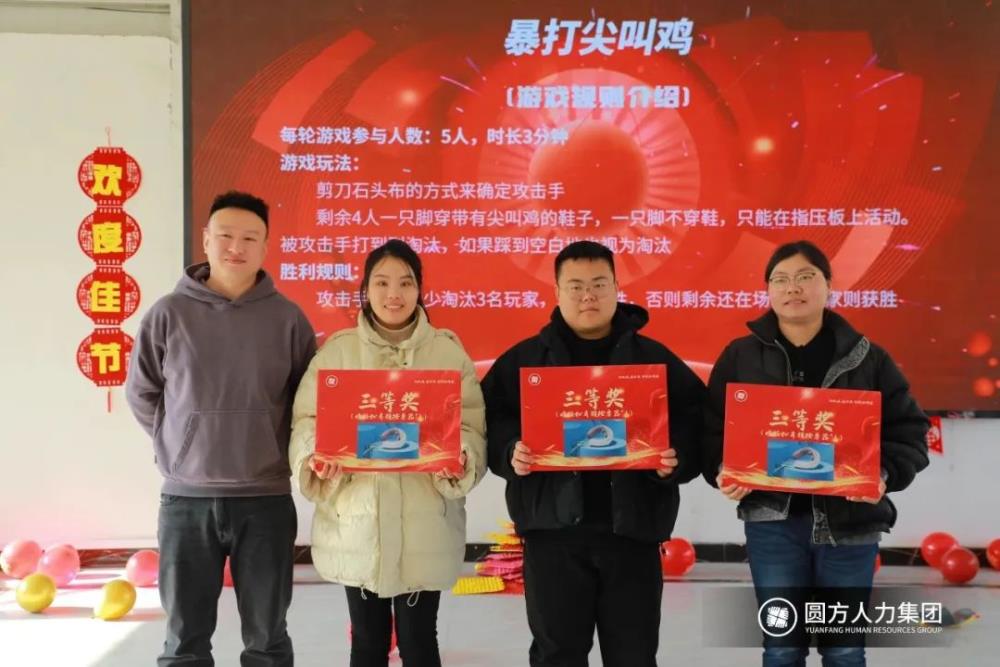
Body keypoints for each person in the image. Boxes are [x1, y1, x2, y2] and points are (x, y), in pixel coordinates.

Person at [702, 240, 930, 666]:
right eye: (781, 279)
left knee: (844, 649)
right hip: (772, 525)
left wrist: (882, 473)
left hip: (851, 525)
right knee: (782, 647)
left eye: (806, 277)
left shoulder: (868, 357)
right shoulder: (740, 356)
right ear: (768, 290)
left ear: (828, 285)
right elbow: (712, 429)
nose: (793, 288)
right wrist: (722, 469)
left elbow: (910, 430)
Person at [482, 240, 706, 667]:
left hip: (633, 533)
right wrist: (509, 451)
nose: (588, 296)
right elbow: (490, 421)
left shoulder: (651, 359)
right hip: (552, 536)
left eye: (599, 284)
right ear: (557, 292)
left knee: (634, 655)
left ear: (617, 288)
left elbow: (696, 420)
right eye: (576, 286)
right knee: (557, 655)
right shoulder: (526, 360)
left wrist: (675, 459)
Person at [126, 190, 316, 666]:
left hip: (266, 499)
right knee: (184, 642)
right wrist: (180, 445)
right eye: (226, 235)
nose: (237, 247)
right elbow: (142, 392)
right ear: (206, 239)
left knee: (268, 639)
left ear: (266, 246)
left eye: (250, 238)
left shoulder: (288, 319)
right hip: (186, 501)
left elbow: (307, 404)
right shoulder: (168, 313)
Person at [290, 239, 486, 667]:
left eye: (405, 282)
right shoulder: (338, 352)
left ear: (419, 290)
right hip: (358, 524)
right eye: (381, 282)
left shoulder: (447, 353)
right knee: (366, 642)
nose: (393, 293)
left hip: (425, 524)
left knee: (420, 642)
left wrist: (461, 456)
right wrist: (314, 457)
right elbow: (306, 420)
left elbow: (472, 426)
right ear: (365, 289)